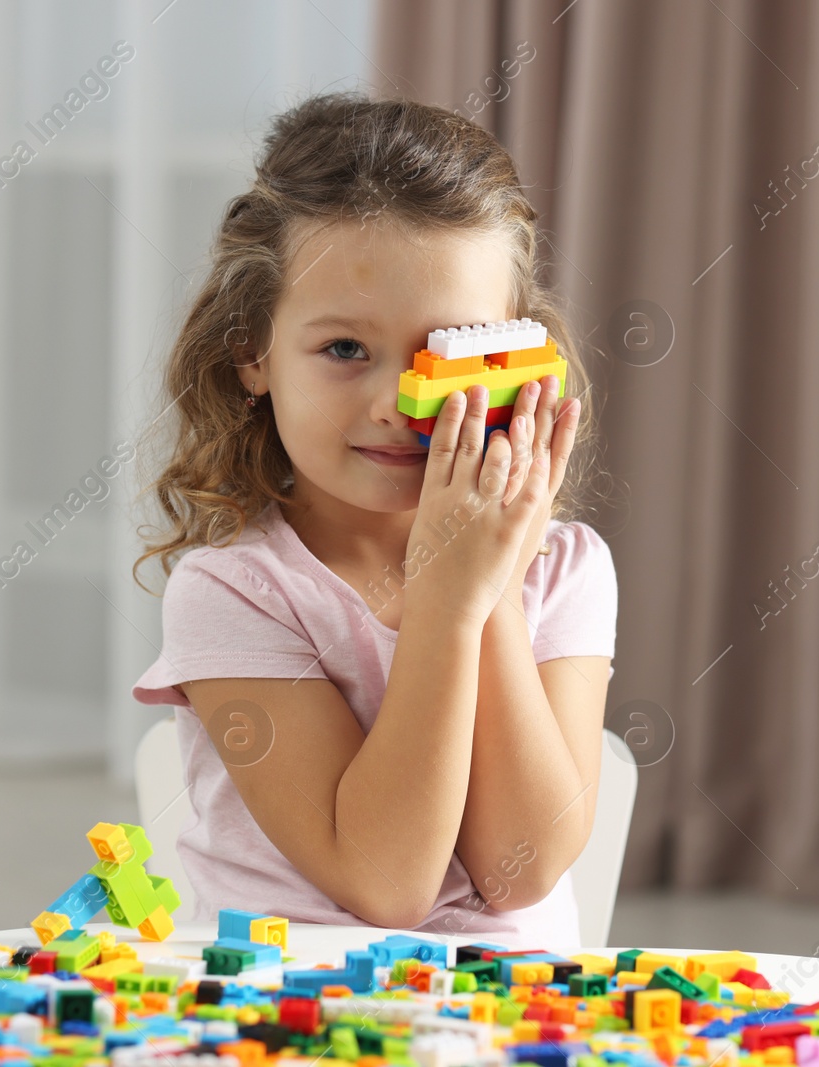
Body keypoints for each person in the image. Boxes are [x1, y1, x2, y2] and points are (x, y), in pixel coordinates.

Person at [130, 90, 617, 947]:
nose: (401, 402)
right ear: (253, 352)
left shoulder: (566, 568)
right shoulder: (234, 592)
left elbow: (523, 866)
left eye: (455, 351)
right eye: (346, 350)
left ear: (520, 360)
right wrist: (448, 596)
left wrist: (490, 586)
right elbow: (386, 883)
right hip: (290, 1013)